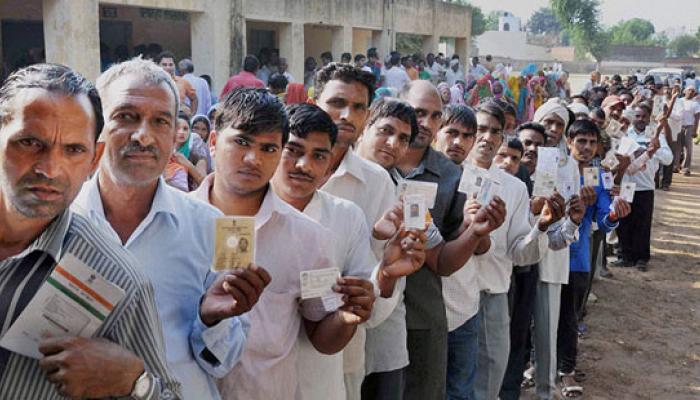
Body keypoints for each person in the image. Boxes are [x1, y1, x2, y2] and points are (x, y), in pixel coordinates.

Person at [72, 58, 264, 400]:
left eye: (160, 121)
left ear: (175, 134)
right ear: (96, 125)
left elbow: (226, 362)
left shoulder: (213, 227)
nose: (144, 136)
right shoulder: (57, 224)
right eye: (126, 117)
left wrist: (211, 321)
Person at [0, 62, 181, 399]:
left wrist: (133, 382)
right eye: (29, 142)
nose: (50, 168)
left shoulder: (117, 278)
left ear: (94, 159)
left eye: (73, 150)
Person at [195, 88, 369, 400]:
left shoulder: (309, 237)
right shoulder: (173, 222)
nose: (253, 158)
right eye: (242, 142)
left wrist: (347, 316)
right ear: (212, 141)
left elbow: (322, 336)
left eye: (268, 148)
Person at [271, 103, 426, 400]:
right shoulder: (244, 215)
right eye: (293, 150)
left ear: (331, 165)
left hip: (321, 382)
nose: (304, 165)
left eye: (318, 156)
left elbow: (369, 313)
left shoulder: (345, 217)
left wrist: (385, 275)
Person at [357, 97, 506, 400]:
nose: (423, 124)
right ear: (368, 124)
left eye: (403, 136)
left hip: (407, 321)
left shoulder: (409, 195)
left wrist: (475, 231)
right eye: (418, 114)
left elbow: (440, 258)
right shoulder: (332, 181)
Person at [310, 63, 397, 399]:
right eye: (336, 103)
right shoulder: (281, 165)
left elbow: (383, 270)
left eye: (358, 107)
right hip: (274, 344)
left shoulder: (376, 182)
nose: (347, 115)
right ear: (314, 100)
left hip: (343, 349)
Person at [559, 120, 631, 398]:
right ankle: (539, 361)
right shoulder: (554, 167)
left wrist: (614, 213)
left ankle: (567, 370)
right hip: (546, 253)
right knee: (540, 311)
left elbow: (603, 217)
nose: (587, 147)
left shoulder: (599, 175)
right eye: (581, 141)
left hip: (577, 257)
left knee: (570, 316)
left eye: (591, 142)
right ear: (569, 142)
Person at [616, 104, 672, 271]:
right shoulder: (625, 134)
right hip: (626, 185)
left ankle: (641, 259)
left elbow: (668, 160)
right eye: (637, 116)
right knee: (624, 221)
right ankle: (625, 256)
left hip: (645, 187)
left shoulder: (656, 136)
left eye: (644, 117)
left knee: (642, 224)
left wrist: (655, 149)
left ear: (649, 118)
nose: (640, 120)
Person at [157, 51, 198, 117]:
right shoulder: (152, 83)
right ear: (158, 66)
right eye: (164, 65)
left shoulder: (183, 82)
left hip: (178, 120)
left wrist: (192, 115)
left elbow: (194, 99)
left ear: (175, 66)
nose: (168, 67)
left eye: (170, 65)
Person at [676, 85, 700, 175]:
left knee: (688, 148)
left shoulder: (695, 104)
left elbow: (697, 118)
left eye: (693, 91)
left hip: (689, 127)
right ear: (685, 91)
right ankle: (676, 166)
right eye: (689, 90)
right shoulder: (679, 101)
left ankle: (686, 168)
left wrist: (694, 130)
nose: (691, 92)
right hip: (679, 126)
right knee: (678, 147)